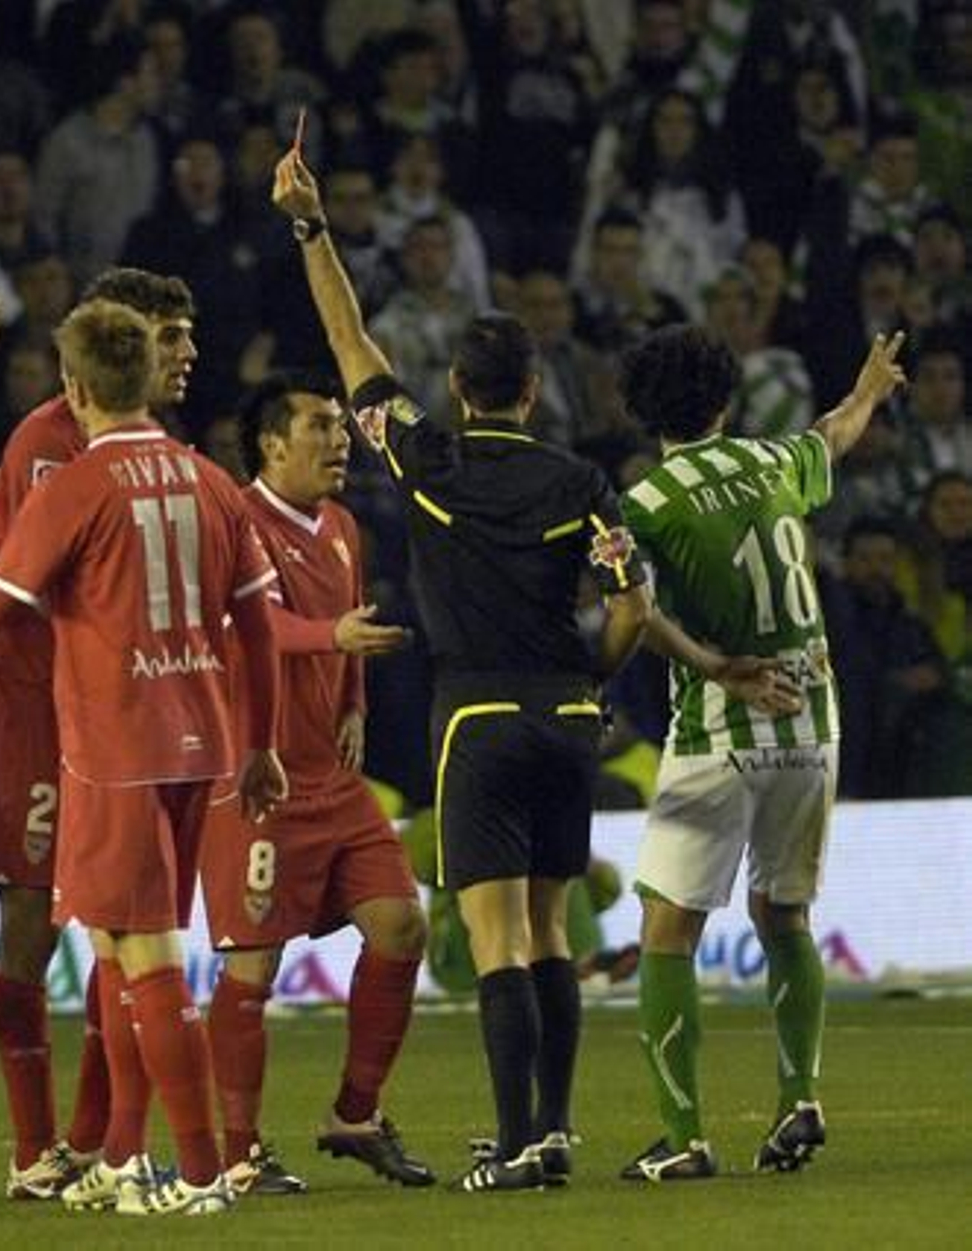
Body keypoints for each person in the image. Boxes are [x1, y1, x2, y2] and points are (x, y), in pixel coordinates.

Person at [272, 147, 655, 1193]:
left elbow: (349, 339)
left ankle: (516, 1139)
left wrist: (311, 226)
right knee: (547, 929)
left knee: (495, 939)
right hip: (567, 715)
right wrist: (597, 677)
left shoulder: (427, 460)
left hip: (476, 716)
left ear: (455, 387)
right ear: (531, 391)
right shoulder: (581, 481)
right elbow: (632, 599)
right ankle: (556, 1129)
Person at [0, 298, 286, 1217]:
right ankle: (124, 1156)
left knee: (142, 952)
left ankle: (200, 1171)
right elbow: (255, 624)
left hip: (115, 743)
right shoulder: (209, 477)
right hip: (202, 738)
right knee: (113, 945)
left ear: (73, 386)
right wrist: (257, 742)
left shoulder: (77, 484)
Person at [616, 326, 907, 1182]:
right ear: (725, 401)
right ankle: (799, 1097)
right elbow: (833, 435)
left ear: (638, 410)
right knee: (784, 916)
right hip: (816, 725)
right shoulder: (772, 463)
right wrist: (870, 389)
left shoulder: (646, 502)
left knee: (666, 932)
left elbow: (633, 612)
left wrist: (711, 666)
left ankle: (683, 1137)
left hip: (721, 730)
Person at [0, 268, 200, 1201]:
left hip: (117, 714)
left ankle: (104, 1142)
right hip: (28, 707)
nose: (186, 354)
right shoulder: (51, 446)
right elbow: (30, 589)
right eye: (170, 335)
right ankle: (34, 1149)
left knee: (127, 920)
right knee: (33, 917)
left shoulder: (151, 446)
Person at [200, 372, 433, 1195]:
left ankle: (355, 1113)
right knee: (250, 972)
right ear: (271, 443)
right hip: (257, 775)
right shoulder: (232, 519)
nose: (340, 440)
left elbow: (353, 619)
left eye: (340, 426)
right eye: (321, 426)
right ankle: (237, 1153)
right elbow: (242, 627)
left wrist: (357, 698)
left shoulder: (342, 526)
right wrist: (330, 635)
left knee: (402, 924)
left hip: (333, 777)